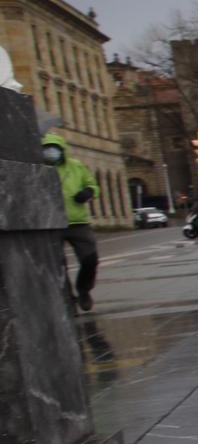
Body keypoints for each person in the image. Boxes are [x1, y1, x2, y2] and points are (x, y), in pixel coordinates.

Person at [41, 133, 99, 312]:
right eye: (46, 148)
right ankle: (68, 300)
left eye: (54, 148)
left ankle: (84, 289)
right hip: (50, 224)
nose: (51, 152)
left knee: (90, 259)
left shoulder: (76, 166)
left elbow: (93, 185)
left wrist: (88, 192)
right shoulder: (38, 168)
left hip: (77, 222)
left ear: (62, 150)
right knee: (58, 265)